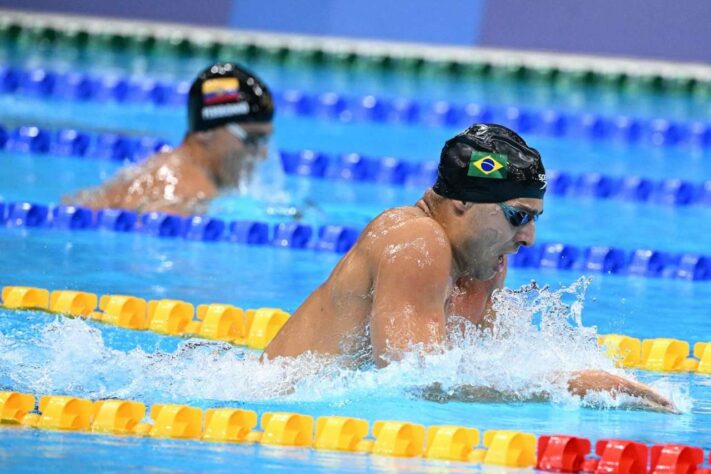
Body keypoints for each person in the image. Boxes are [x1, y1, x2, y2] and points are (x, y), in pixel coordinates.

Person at [264, 123, 676, 412]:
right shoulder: (416, 241)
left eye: (535, 219)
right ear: (463, 201)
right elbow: (412, 381)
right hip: (277, 419)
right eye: (518, 216)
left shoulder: (484, 266)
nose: (529, 237)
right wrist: (565, 385)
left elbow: (482, 367)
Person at [64, 63, 274, 216]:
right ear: (205, 132)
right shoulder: (188, 192)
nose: (262, 153)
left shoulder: (166, 167)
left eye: (265, 140)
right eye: (253, 139)